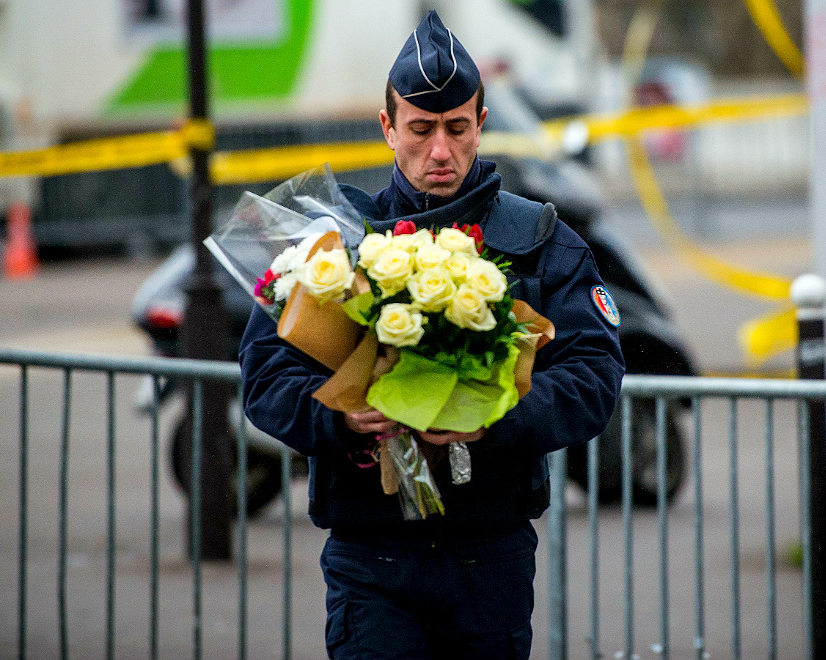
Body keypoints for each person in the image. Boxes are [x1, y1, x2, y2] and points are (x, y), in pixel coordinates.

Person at [238, 10, 624, 659]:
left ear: (481, 124)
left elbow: (593, 376)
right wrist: (342, 416)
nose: (439, 150)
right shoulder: (336, 245)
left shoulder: (538, 243)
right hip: (371, 558)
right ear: (388, 128)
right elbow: (267, 374)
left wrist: (494, 415)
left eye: (455, 127)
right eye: (420, 129)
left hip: (489, 557)